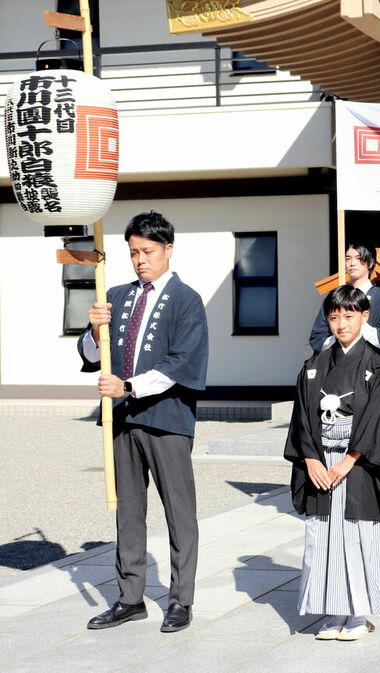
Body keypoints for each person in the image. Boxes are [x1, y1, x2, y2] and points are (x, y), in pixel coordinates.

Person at [79, 211, 209, 633]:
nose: (140, 260)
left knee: (179, 511)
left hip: (167, 419)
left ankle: (180, 600)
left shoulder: (186, 300)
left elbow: (182, 363)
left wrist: (129, 386)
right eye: (133, 252)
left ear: (168, 249)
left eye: (148, 251)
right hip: (121, 420)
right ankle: (130, 597)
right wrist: (93, 327)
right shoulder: (115, 295)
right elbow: (93, 357)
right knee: (128, 512)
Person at [284, 284, 380, 640]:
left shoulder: (376, 364)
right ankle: (333, 612)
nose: (341, 324)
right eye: (334, 317)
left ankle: (360, 615)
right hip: (321, 461)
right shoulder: (315, 364)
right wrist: (310, 459)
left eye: (349, 316)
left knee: (358, 536)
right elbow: (303, 415)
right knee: (324, 536)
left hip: (359, 464)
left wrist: (349, 460)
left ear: (365, 317)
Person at [309, 244, 380, 361]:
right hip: (336, 364)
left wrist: (358, 327)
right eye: (348, 259)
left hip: (371, 367)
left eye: (358, 258)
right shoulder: (335, 296)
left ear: (371, 263)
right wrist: (340, 336)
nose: (352, 263)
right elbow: (317, 338)